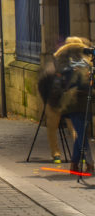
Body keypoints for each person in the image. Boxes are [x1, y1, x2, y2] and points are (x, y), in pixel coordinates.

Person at [56, 37, 94, 174]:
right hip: (73, 103)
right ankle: (89, 163)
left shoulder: (86, 63)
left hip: (87, 102)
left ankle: (74, 163)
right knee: (82, 134)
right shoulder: (66, 65)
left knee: (81, 134)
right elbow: (59, 59)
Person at [38, 57, 76, 164]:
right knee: (73, 127)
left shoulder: (50, 68)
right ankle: (79, 152)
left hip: (54, 103)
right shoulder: (72, 67)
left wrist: (46, 100)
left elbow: (41, 85)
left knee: (53, 128)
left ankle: (56, 154)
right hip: (63, 103)